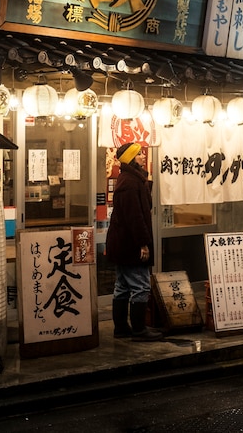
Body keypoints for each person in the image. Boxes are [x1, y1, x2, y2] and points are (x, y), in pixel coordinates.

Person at [106, 142, 163, 342]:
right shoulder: (130, 182)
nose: (142, 156)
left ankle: (121, 328)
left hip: (122, 244)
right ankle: (139, 330)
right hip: (130, 245)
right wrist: (143, 243)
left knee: (122, 286)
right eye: (138, 154)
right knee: (140, 286)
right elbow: (135, 217)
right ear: (130, 159)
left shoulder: (129, 179)